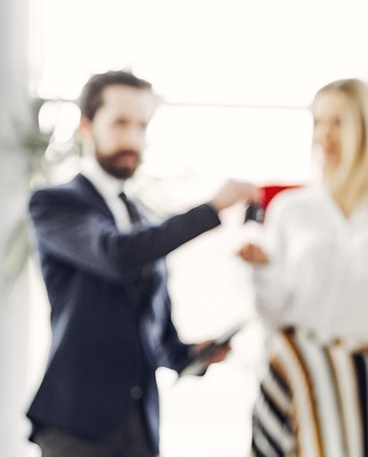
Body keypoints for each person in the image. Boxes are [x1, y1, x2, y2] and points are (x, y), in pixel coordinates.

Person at [25, 70, 262, 457]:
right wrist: (211, 209)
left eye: (141, 125)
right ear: (86, 125)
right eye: (120, 123)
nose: (132, 139)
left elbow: (157, 334)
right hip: (76, 425)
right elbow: (116, 254)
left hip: (140, 426)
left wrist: (189, 354)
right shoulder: (54, 204)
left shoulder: (143, 222)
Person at [238, 78, 368, 457]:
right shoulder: (291, 209)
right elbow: (274, 313)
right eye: (318, 122)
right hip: (297, 370)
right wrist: (261, 271)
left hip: (363, 376)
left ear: (366, 127)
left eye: (338, 122)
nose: (324, 135)